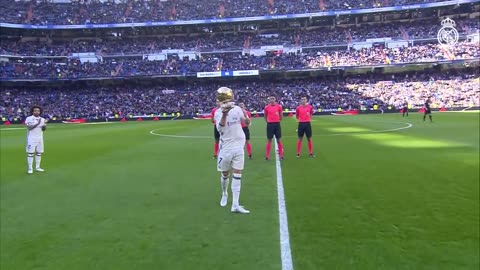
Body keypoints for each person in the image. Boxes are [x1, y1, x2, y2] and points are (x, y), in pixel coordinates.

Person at [214, 87, 251, 214]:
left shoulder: (237, 109)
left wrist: (247, 119)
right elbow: (220, 129)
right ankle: (224, 193)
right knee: (225, 174)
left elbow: (246, 122)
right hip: (226, 148)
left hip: (239, 147)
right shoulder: (218, 112)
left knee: (238, 175)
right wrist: (225, 113)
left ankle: (235, 204)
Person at [25, 106, 47, 174]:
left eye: (38, 111)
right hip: (31, 138)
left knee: (39, 153)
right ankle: (30, 168)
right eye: (35, 110)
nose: (37, 112)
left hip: (40, 138)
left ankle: (37, 167)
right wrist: (37, 123)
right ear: (32, 111)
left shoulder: (42, 119)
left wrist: (44, 126)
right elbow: (29, 128)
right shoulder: (29, 118)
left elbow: (43, 130)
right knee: (30, 153)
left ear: (40, 112)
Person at [264, 96, 284, 160]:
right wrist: (269, 121)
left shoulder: (279, 107)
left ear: (275, 99)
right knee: (269, 140)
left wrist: (277, 120)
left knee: (279, 140)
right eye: (270, 99)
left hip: (277, 124)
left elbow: (281, 116)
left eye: (273, 99)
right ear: (269, 100)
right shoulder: (266, 107)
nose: (272, 100)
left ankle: (281, 155)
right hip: (270, 124)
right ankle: (267, 156)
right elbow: (265, 116)